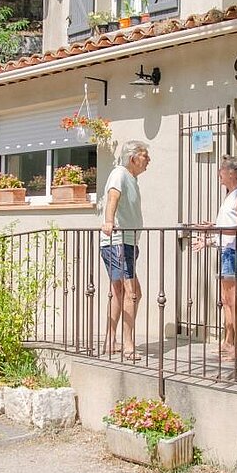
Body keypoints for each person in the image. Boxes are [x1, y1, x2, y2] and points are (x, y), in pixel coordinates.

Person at [192, 155, 237, 361]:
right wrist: (209, 239)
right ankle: (228, 342)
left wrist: (213, 229)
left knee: (233, 300)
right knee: (226, 300)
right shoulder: (232, 194)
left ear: (231, 173)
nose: (219, 173)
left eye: (221, 170)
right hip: (228, 251)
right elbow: (226, 229)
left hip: (235, 253)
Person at [100, 140, 150, 360]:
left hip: (126, 242)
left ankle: (111, 342)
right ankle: (128, 345)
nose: (148, 160)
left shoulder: (131, 178)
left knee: (120, 292)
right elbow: (113, 196)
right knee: (132, 293)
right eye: (145, 155)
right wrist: (109, 222)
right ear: (133, 158)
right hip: (119, 241)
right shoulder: (119, 173)